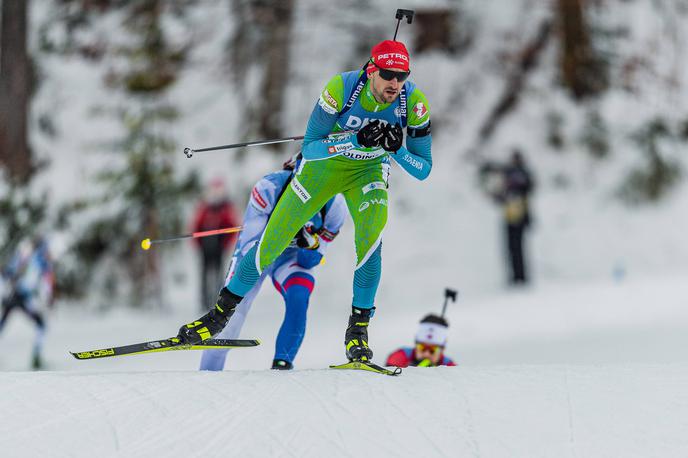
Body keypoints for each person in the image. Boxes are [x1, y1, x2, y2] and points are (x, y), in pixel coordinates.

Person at [177, 39, 433, 365]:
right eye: (388, 74)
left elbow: (423, 170)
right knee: (271, 242)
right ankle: (218, 315)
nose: (395, 83)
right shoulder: (342, 89)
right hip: (323, 170)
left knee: (371, 236)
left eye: (402, 75)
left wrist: (397, 150)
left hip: (368, 172)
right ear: (371, 70)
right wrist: (355, 139)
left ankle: (358, 329)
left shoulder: (413, 102)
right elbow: (311, 147)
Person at [200, 156, 347, 370]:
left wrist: (311, 243)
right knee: (233, 317)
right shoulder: (268, 188)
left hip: (290, 259)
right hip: (256, 255)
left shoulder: (335, 206)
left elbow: (310, 261)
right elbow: (251, 246)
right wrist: (287, 233)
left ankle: (282, 365)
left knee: (299, 296)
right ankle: (208, 371)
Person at [0, 237, 54, 370]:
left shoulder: (24, 257)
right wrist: (48, 297)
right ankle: (36, 357)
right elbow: (47, 280)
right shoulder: (40, 260)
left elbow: (8, 273)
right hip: (22, 297)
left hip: (13, 297)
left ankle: (36, 357)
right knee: (41, 325)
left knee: (3, 324)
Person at [191, 178, 239, 310]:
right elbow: (196, 225)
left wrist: (225, 244)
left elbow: (232, 228)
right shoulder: (205, 208)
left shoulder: (226, 208)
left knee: (218, 274)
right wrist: (198, 244)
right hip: (205, 247)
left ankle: (218, 299)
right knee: (204, 274)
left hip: (219, 247)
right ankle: (204, 301)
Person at [386, 315, 456, 367]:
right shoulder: (402, 355)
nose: (426, 354)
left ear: (442, 350)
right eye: (422, 348)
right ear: (416, 345)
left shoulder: (449, 365)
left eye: (433, 350)